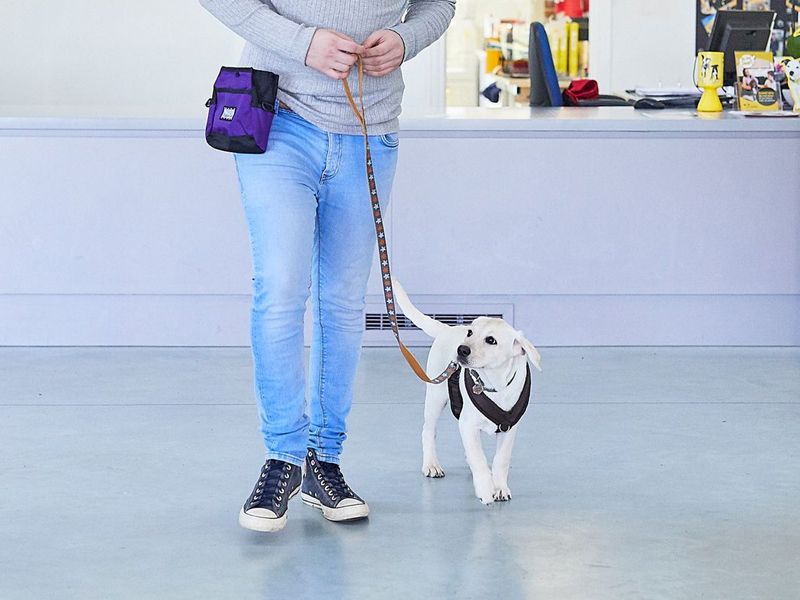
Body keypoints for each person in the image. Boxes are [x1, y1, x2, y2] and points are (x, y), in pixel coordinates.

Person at [198, 0, 456, 532]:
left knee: (341, 303)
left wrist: (407, 40)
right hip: (278, 119)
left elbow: (440, 5)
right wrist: (304, 41)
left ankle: (323, 462)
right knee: (280, 291)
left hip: (370, 128)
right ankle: (282, 459)